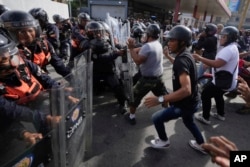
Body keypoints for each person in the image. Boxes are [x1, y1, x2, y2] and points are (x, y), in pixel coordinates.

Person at [144, 25, 206, 154]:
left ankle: (164, 141)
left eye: (172, 40)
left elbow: (186, 90)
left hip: (184, 104)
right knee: (189, 122)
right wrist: (167, 56)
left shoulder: (182, 59)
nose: (169, 43)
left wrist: (160, 99)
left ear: (182, 41)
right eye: (169, 40)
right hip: (193, 102)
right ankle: (202, 144)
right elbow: (180, 67)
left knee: (156, 117)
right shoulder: (185, 55)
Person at [0, 10, 71, 78]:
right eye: (21, 32)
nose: (28, 35)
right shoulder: (8, 55)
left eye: (30, 30)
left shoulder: (43, 44)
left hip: (44, 82)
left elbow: (58, 63)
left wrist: (71, 77)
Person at [193, 26, 239, 124]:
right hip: (227, 80)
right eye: (221, 36)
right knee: (218, 96)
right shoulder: (232, 47)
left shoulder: (229, 49)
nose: (221, 38)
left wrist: (200, 58)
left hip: (222, 81)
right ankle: (220, 114)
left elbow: (217, 64)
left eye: (224, 36)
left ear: (230, 38)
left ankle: (205, 118)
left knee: (205, 94)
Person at [126, 24, 169, 125]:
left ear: (149, 34)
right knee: (164, 96)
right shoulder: (157, 44)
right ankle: (166, 113)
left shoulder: (147, 46)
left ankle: (131, 117)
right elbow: (145, 50)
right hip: (159, 77)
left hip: (147, 79)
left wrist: (131, 49)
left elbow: (137, 61)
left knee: (134, 97)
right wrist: (135, 50)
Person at [86, 21, 128, 114]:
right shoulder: (88, 45)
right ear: (89, 33)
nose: (99, 34)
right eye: (95, 32)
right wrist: (116, 54)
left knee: (117, 87)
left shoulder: (107, 40)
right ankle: (83, 106)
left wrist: (122, 46)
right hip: (95, 71)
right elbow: (101, 58)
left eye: (100, 32)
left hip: (108, 70)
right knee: (88, 88)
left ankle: (123, 103)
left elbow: (115, 46)